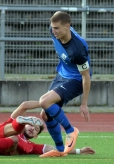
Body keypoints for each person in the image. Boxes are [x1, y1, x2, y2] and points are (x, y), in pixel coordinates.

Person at [38, 11, 92, 157]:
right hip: (62, 75)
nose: (53, 31)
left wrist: (84, 103)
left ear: (67, 27)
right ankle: (61, 150)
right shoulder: (53, 31)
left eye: (57, 28)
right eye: (52, 27)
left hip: (76, 80)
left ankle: (70, 131)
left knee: (44, 101)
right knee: (46, 115)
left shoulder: (77, 50)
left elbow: (86, 77)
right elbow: (58, 15)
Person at [0, 101, 95, 157]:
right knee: (13, 127)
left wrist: (79, 151)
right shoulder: (16, 127)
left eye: (36, 129)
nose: (33, 129)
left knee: (15, 139)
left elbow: (53, 149)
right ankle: (20, 122)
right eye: (31, 125)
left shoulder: (31, 146)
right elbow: (24, 105)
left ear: (36, 136)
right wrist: (46, 103)